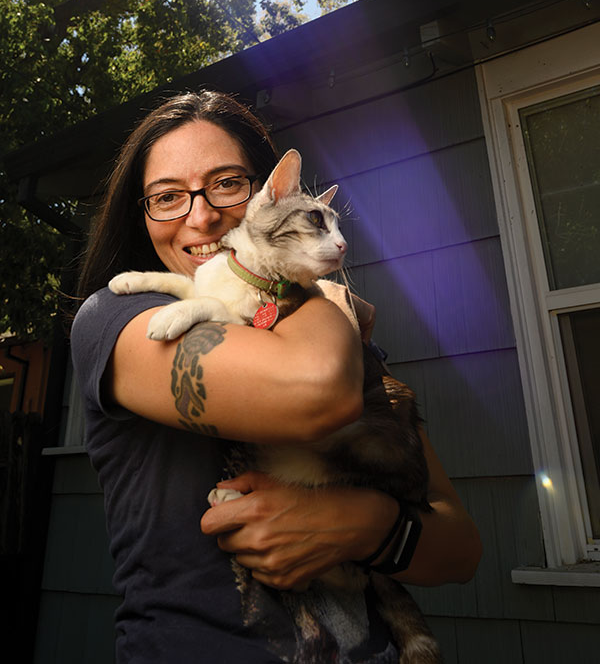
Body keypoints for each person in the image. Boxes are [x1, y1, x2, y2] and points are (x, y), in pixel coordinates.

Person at [71, 90, 482, 663]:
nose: (202, 215)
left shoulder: (336, 342)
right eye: (167, 196)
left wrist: (366, 526)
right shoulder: (116, 323)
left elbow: (460, 549)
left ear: (270, 195)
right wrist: (327, 298)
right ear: (143, 216)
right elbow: (316, 391)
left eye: (227, 183)